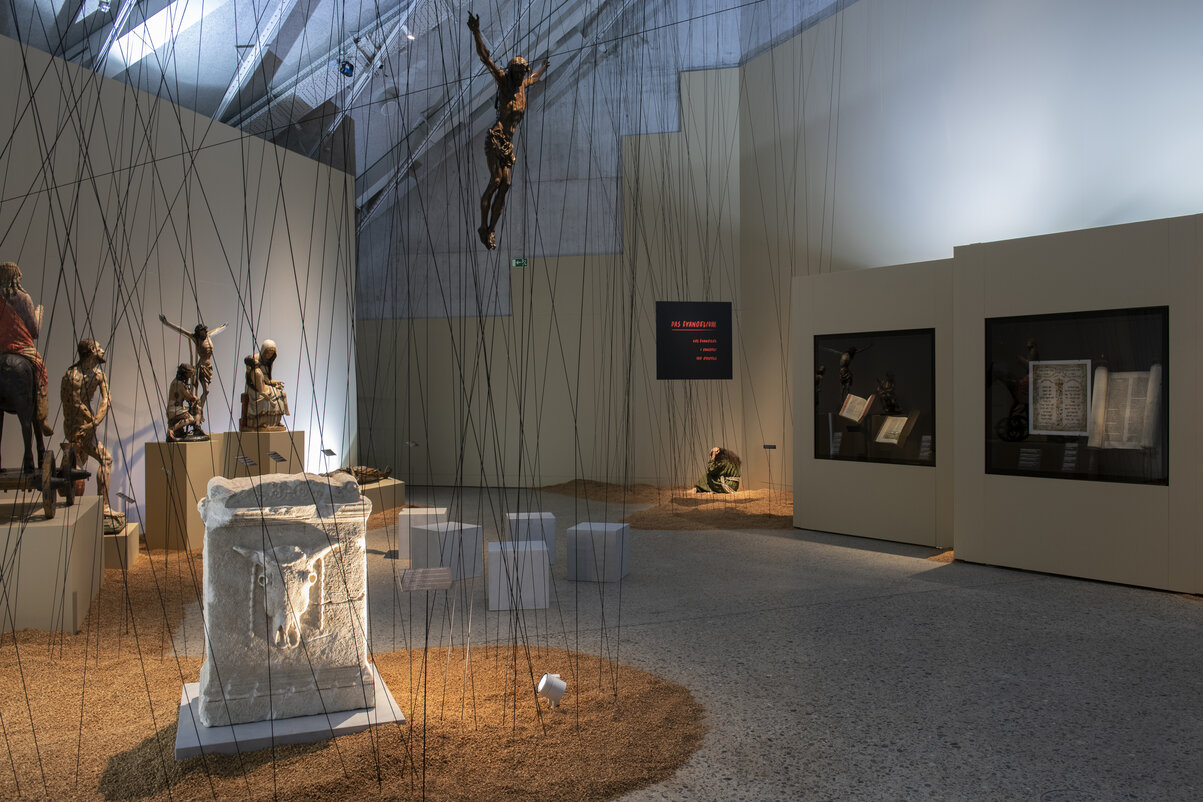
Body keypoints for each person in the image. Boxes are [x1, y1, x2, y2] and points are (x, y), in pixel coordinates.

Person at [467, 11, 548, 250]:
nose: (521, 75)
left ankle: (491, 231)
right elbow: (486, 59)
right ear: (511, 71)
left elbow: (535, 78)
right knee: (495, 180)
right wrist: (476, 32)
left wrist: (543, 67)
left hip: (508, 144)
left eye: (523, 72)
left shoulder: (523, 84)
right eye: (518, 72)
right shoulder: (505, 82)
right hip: (496, 137)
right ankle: (483, 226)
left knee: (506, 184)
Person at [61, 338, 123, 530]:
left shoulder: (98, 375)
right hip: (76, 426)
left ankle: (102, 506)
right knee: (104, 460)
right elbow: (73, 403)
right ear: (90, 351)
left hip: (89, 426)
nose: (102, 350)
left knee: (100, 460)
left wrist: (95, 421)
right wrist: (91, 421)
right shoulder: (73, 376)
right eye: (98, 348)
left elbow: (107, 399)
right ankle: (102, 507)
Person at [0, 262, 53, 436]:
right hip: (21, 348)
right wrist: (39, 313)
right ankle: (42, 418)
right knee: (41, 370)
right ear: (16, 277)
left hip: (1, 349)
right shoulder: (23, 298)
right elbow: (34, 331)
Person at [159, 313, 227, 424]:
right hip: (202, 367)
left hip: (209, 367)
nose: (203, 333)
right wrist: (167, 323)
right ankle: (199, 410)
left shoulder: (208, 336)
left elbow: (216, 331)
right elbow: (182, 331)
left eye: (204, 331)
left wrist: (223, 327)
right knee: (206, 391)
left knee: (206, 392)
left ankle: (199, 409)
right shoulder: (196, 339)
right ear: (198, 333)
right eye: (201, 332)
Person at [243, 343, 289, 430]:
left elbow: (267, 379)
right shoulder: (254, 360)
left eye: (271, 354)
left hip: (264, 384)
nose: (269, 355)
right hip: (254, 387)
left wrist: (276, 384)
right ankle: (260, 422)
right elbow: (251, 379)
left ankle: (275, 421)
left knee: (280, 394)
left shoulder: (268, 362)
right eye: (268, 353)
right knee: (264, 398)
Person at [166, 363, 204, 440]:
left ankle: (181, 430)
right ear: (185, 373)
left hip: (173, 409)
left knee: (196, 409)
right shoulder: (180, 384)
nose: (191, 375)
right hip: (176, 410)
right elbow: (189, 397)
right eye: (190, 373)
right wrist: (195, 397)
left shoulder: (175, 381)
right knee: (192, 416)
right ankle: (171, 430)